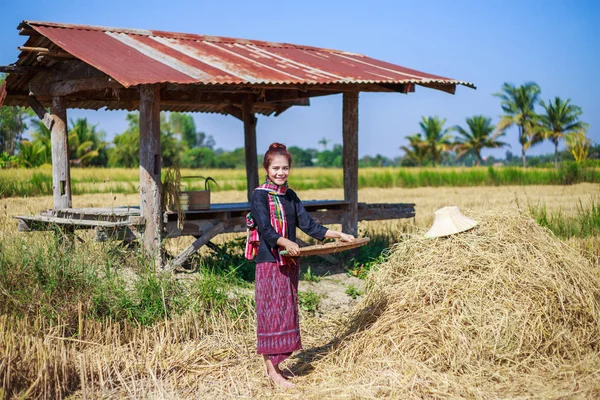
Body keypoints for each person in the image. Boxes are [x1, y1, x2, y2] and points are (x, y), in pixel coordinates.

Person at [246, 142, 355, 389]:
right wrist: (285, 241)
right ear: (267, 168)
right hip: (270, 261)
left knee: (285, 311)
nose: (280, 173)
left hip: (289, 261)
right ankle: (272, 372)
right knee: (270, 314)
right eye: (276, 168)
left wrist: (339, 235)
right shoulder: (259, 195)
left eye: (285, 168)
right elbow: (265, 228)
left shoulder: (290, 196)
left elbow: (309, 225)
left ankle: (277, 365)